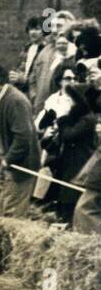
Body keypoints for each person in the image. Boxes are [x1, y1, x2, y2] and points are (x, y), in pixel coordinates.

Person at [0, 62, 40, 218]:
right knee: (2, 208)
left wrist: (8, 160)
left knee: (13, 214)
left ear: (2, 80)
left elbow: (23, 137)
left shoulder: (15, 101)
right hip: (4, 165)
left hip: (19, 166)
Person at [41, 84, 97, 224]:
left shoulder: (87, 119)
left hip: (78, 166)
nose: (66, 103)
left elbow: (69, 136)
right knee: (62, 201)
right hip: (67, 166)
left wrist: (61, 118)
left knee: (71, 201)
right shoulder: (73, 118)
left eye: (69, 100)